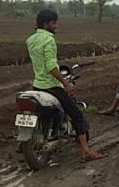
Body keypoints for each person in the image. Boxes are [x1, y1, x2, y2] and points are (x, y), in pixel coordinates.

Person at [26, 9, 102, 161]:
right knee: (77, 115)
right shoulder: (49, 40)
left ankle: (25, 144)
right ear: (46, 24)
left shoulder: (31, 40)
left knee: (43, 112)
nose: (56, 26)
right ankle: (86, 151)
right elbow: (51, 67)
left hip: (37, 85)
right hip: (51, 86)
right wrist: (66, 83)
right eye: (54, 23)